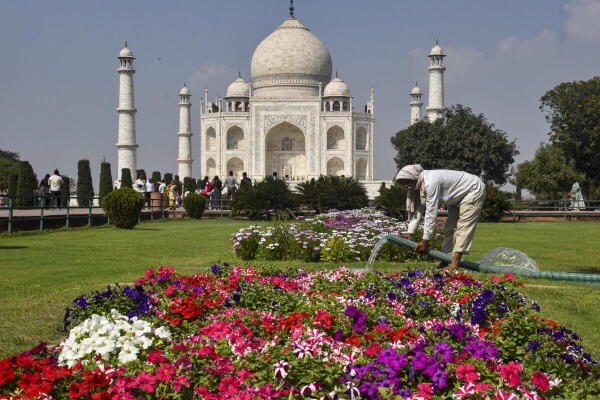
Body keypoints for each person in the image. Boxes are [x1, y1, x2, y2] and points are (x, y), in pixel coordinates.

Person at [396, 164, 486, 271]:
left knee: (463, 227)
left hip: (473, 189)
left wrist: (425, 240)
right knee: (449, 228)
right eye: (403, 184)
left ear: (414, 177)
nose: (406, 186)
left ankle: (455, 264)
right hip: (457, 196)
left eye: (407, 182)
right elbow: (419, 209)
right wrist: (410, 232)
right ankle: (445, 261)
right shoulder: (420, 184)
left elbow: (431, 212)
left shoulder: (430, 182)